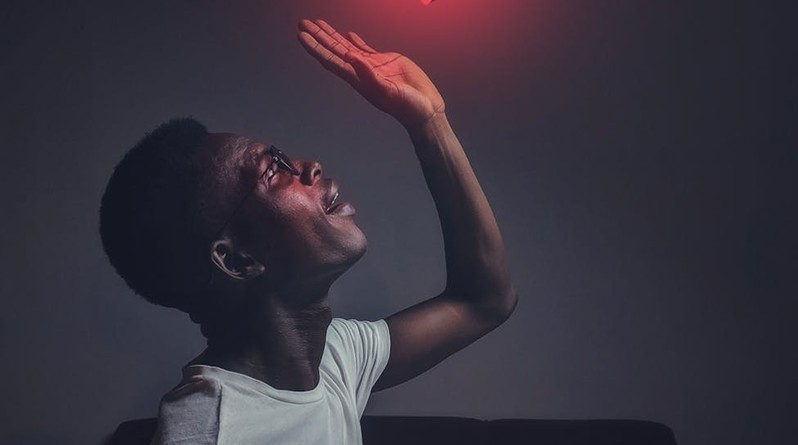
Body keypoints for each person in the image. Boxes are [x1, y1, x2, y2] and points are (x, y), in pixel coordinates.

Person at [100, 19, 516, 445]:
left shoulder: (332, 358)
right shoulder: (211, 433)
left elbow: (484, 300)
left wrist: (428, 122)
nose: (309, 166)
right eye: (271, 170)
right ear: (236, 259)